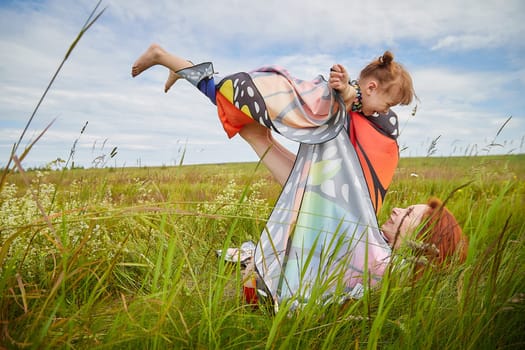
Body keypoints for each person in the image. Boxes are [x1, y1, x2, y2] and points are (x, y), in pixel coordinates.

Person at [131, 44, 415, 308]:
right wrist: (347, 93)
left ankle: (182, 68)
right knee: (225, 95)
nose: (386, 111)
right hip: (272, 98)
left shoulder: (366, 111)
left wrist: (352, 97)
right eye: (387, 103)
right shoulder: (346, 95)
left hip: (317, 162)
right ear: (372, 86)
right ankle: (162, 56)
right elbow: (349, 97)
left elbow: (361, 112)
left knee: (227, 101)